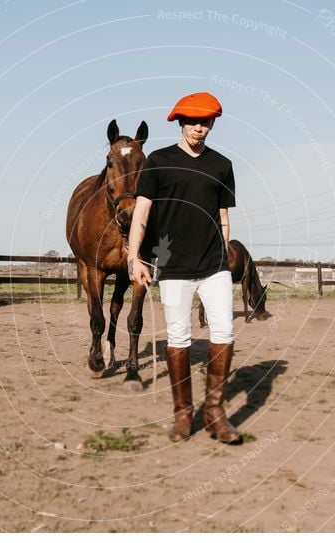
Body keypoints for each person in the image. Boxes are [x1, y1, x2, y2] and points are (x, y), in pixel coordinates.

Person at [128, 91, 242, 445]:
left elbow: (223, 216)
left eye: (205, 122)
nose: (199, 128)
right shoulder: (158, 161)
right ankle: (182, 414)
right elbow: (142, 211)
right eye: (193, 121)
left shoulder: (222, 165)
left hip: (214, 264)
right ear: (181, 122)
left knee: (223, 330)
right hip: (174, 265)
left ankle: (215, 413)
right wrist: (134, 256)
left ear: (212, 124)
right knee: (178, 336)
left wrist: (225, 248)